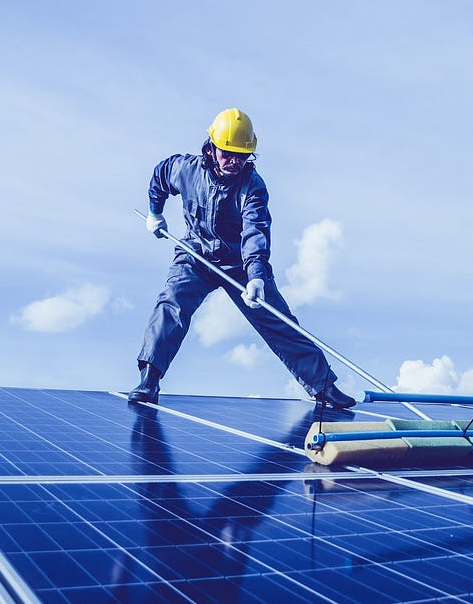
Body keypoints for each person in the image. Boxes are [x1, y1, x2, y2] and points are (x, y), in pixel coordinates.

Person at [129, 108, 356, 410]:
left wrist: (257, 276)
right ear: (211, 148)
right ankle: (149, 380)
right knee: (172, 303)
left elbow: (255, 231)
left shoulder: (253, 187)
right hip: (195, 256)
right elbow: (160, 176)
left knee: (278, 320)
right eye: (228, 154)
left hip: (241, 266)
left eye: (242, 155)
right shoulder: (185, 170)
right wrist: (155, 213)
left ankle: (324, 386)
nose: (235, 161)